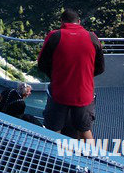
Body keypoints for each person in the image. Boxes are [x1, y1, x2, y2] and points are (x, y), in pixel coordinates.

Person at [37, 8, 105, 140]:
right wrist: (84, 77)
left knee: (53, 131)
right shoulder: (92, 37)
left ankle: (53, 159)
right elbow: (100, 67)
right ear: (79, 22)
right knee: (84, 131)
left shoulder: (54, 36)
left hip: (60, 92)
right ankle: (91, 159)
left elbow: (42, 64)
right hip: (84, 93)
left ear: (61, 22)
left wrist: (56, 77)